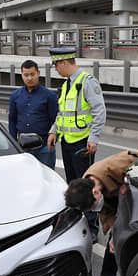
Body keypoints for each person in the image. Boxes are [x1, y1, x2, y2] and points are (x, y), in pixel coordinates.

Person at [65, 150, 138, 276]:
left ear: (95, 193)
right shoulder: (86, 183)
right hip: (117, 204)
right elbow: (106, 210)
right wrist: (115, 233)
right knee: (113, 247)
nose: (95, 210)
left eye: (93, 207)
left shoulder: (119, 166)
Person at [46, 47, 107, 182]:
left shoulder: (87, 81)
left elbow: (99, 110)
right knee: (72, 181)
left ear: (64, 63)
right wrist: (53, 131)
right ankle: (75, 204)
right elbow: (62, 113)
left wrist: (94, 137)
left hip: (83, 142)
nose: (56, 69)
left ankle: (86, 204)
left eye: (56, 65)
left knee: (83, 183)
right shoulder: (66, 84)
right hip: (67, 141)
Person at [8, 59, 59, 169]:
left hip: (44, 147)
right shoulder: (15, 96)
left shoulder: (49, 96)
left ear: (38, 73)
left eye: (32, 74)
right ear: (21, 75)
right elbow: (12, 120)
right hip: (22, 147)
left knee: (47, 179)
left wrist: (53, 140)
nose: (29, 78)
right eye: (26, 75)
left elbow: (56, 120)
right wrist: (13, 143)